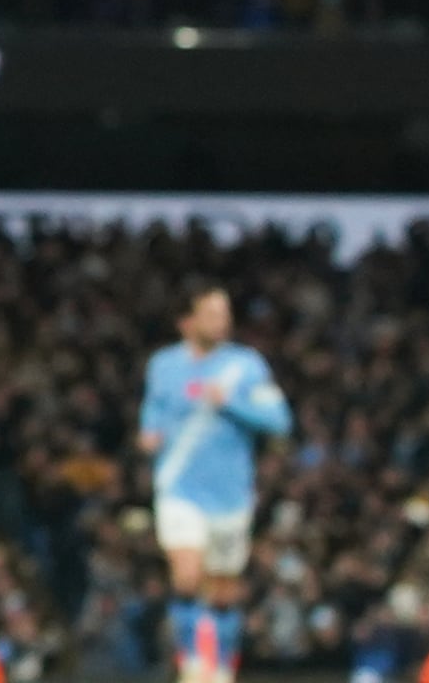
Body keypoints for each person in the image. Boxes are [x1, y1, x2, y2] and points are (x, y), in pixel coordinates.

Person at [139, 287, 294, 683]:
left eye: (224, 314)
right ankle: (192, 662)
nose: (221, 322)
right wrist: (149, 431)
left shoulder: (245, 366)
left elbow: (279, 420)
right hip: (179, 486)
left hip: (229, 494)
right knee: (188, 576)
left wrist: (230, 402)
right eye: (210, 314)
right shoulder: (164, 364)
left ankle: (222, 665)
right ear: (187, 322)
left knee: (223, 590)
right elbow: (154, 407)